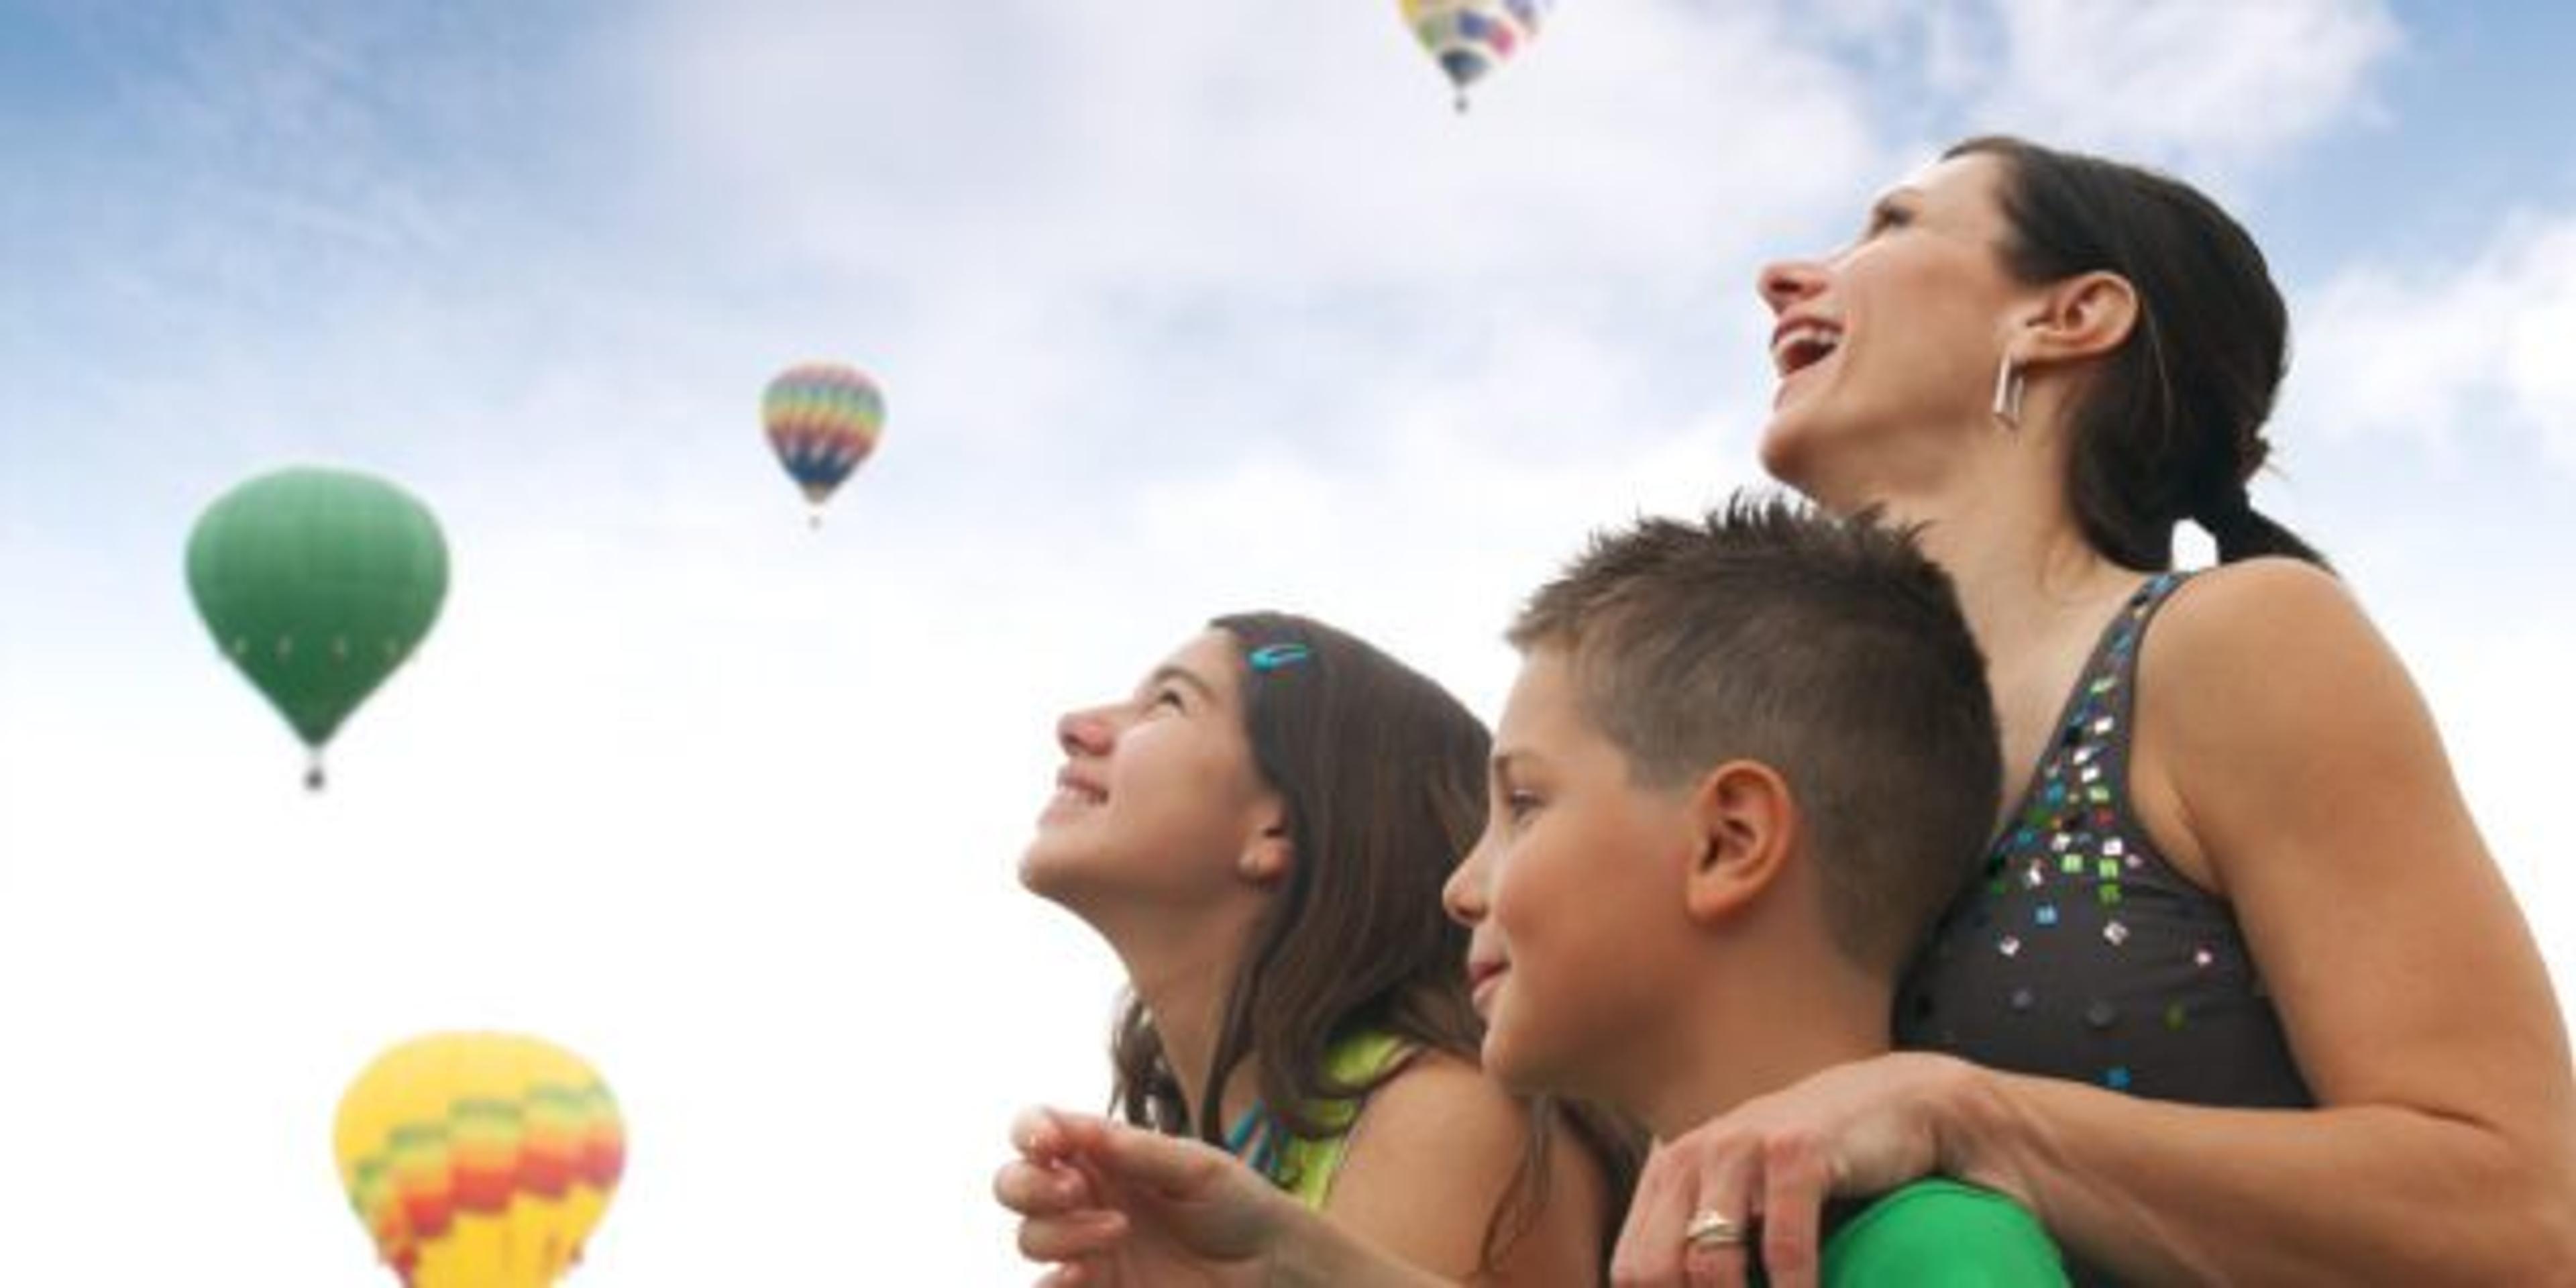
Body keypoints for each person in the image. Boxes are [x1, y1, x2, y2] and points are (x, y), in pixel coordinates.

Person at [1613, 136, 2576, 1285]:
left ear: (2069, 317)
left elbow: (2530, 1215)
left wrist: (1972, 1120)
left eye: (1892, 225)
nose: (1782, 276)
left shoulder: (2236, 643)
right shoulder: (1767, 774)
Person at [1000, 500, 2066, 1286]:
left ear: (1730, 841)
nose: (1461, 889)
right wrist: (1281, 1256)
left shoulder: (1941, 1253)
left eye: (1522, 804)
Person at [1016, 611, 1626, 1283]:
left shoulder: (1438, 1117)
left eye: (1168, 702)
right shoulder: (1195, 1187)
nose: (1078, 726)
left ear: (1277, 825)